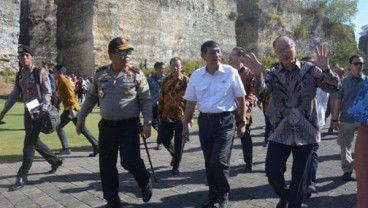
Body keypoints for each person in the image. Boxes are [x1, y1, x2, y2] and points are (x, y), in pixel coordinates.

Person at [244, 36, 340, 208]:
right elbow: (263, 94)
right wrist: (258, 75)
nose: (284, 53)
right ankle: (284, 195)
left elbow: (333, 87)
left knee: (299, 179)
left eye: (287, 48)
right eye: (279, 51)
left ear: (295, 47)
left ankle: (293, 202)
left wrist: (326, 69)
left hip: (307, 132)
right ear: (276, 54)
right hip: (280, 131)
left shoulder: (310, 70)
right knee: (272, 172)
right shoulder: (273, 74)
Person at [76, 37, 153, 207]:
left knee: (130, 161)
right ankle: (112, 200)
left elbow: (146, 100)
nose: (127, 56)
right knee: (107, 164)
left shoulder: (136, 74)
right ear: (111, 55)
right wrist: (81, 117)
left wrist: (147, 122)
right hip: (107, 127)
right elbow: (90, 98)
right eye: (122, 52)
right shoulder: (100, 74)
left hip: (129, 126)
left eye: (129, 52)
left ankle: (144, 180)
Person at [182, 40, 246, 208]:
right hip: (205, 122)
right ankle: (213, 194)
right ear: (203, 55)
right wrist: (185, 125)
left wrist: (243, 121)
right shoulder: (196, 76)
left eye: (218, 51)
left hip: (225, 121)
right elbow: (190, 102)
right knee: (209, 161)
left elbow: (241, 97)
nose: (216, 55)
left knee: (219, 160)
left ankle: (223, 194)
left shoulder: (230, 72)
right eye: (212, 52)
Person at [0, 45, 63, 191]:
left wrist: (43, 109)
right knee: (34, 140)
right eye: (21, 56)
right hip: (29, 109)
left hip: (40, 110)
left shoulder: (40, 72)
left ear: (32, 57)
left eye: (27, 55)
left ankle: (22, 175)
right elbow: (15, 95)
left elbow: (48, 93)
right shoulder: (19, 75)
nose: (24, 58)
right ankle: (55, 161)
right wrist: (3, 112)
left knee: (29, 143)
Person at [332, 55, 367, 181]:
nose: (359, 66)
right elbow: (337, 101)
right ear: (350, 65)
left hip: (364, 120)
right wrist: (334, 120)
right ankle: (347, 170)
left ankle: (362, 169)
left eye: (361, 63)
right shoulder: (343, 82)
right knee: (345, 145)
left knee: (364, 147)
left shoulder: (367, 81)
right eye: (356, 63)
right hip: (347, 119)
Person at [53, 65, 99, 156]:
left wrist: (71, 109)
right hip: (71, 108)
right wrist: (56, 105)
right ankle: (97, 146)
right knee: (82, 129)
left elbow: (71, 95)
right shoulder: (60, 81)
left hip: (71, 109)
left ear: (60, 72)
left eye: (54, 70)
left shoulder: (64, 81)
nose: (53, 72)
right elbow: (62, 96)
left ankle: (66, 148)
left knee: (58, 126)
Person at [300, 56, 329, 195]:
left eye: (312, 65)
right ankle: (304, 180)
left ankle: (310, 183)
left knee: (312, 153)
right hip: (299, 123)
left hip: (316, 123)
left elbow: (334, 89)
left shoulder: (322, 79)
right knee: (302, 153)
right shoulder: (298, 81)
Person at [158, 57, 189, 175]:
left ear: (181, 67)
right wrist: (160, 115)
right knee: (164, 139)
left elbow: (191, 100)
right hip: (167, 116)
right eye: (173, 66)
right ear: (170, 67)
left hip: (181, 117)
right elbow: (161, 98)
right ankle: (175, 154)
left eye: (177, 66)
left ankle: (175, 167)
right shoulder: (165, 81)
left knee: (179, 142)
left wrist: (189, 118)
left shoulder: (186, 81)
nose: (175, 68)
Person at [229, 47, 256, 173]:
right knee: (227, 138)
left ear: (241, 57)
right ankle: (223, 163)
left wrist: (247, 101)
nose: (230, 57)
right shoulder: (226, 71)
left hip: (243, 110)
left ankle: (249, 162)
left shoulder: (249, 73)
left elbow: (252, 91)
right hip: (228, 110)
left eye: (233, 55)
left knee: (245, 137)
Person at [147, 62, 166, 150]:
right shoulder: (149, 79)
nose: (163, 70)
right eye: (161, 68)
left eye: (163, 68)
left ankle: (160, 142)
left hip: (163, 104)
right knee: (153, 122)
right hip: (153, 104)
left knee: (161, 123)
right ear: (156, 69)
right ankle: (163, 133)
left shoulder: (166, 79)